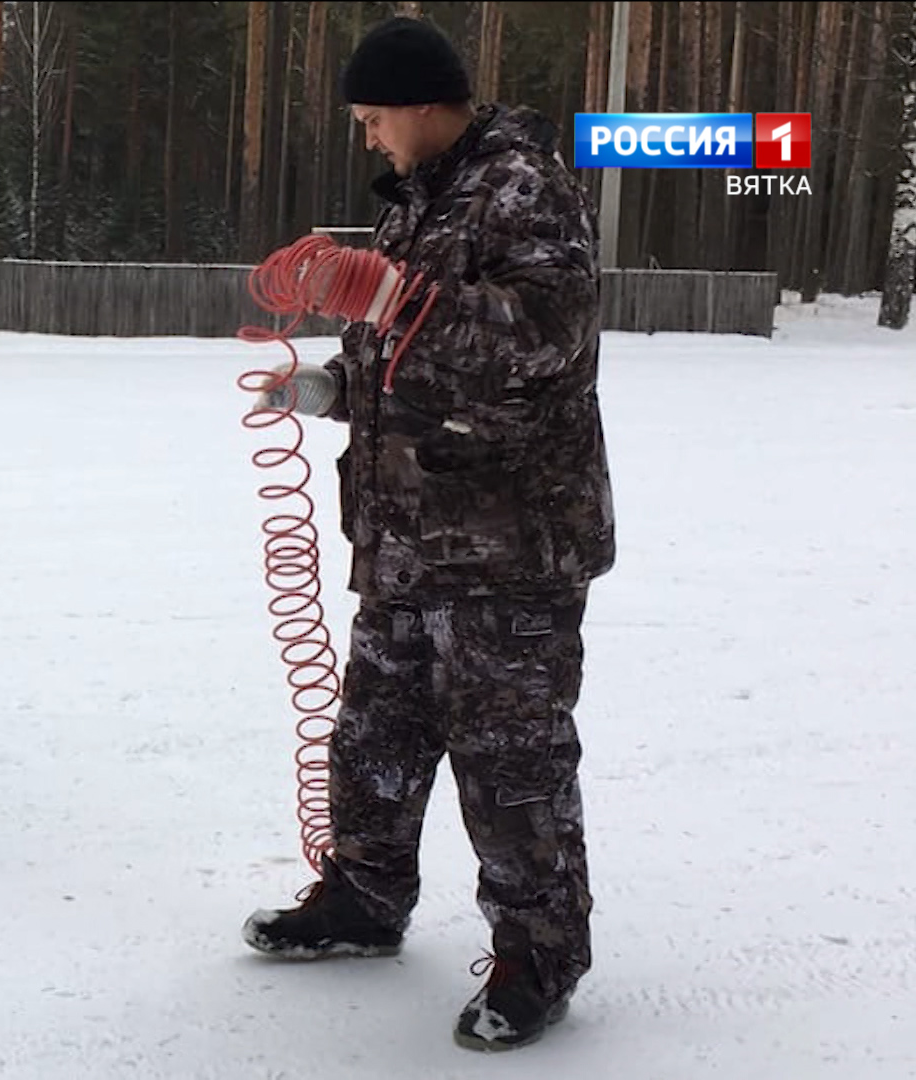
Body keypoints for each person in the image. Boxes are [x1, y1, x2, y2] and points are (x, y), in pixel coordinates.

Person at [240, 16, 616, 1052]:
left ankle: (540, 955)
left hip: (508, 544)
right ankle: (364, 896)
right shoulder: (423, 198)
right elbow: (409, 354)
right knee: (376, 735)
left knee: (510, 761)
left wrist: (388, 291)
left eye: (372, 119)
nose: (369, 139)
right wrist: (328, 386)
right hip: (407, 537)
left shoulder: (525, 188)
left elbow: (542, 342)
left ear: (419, 102)